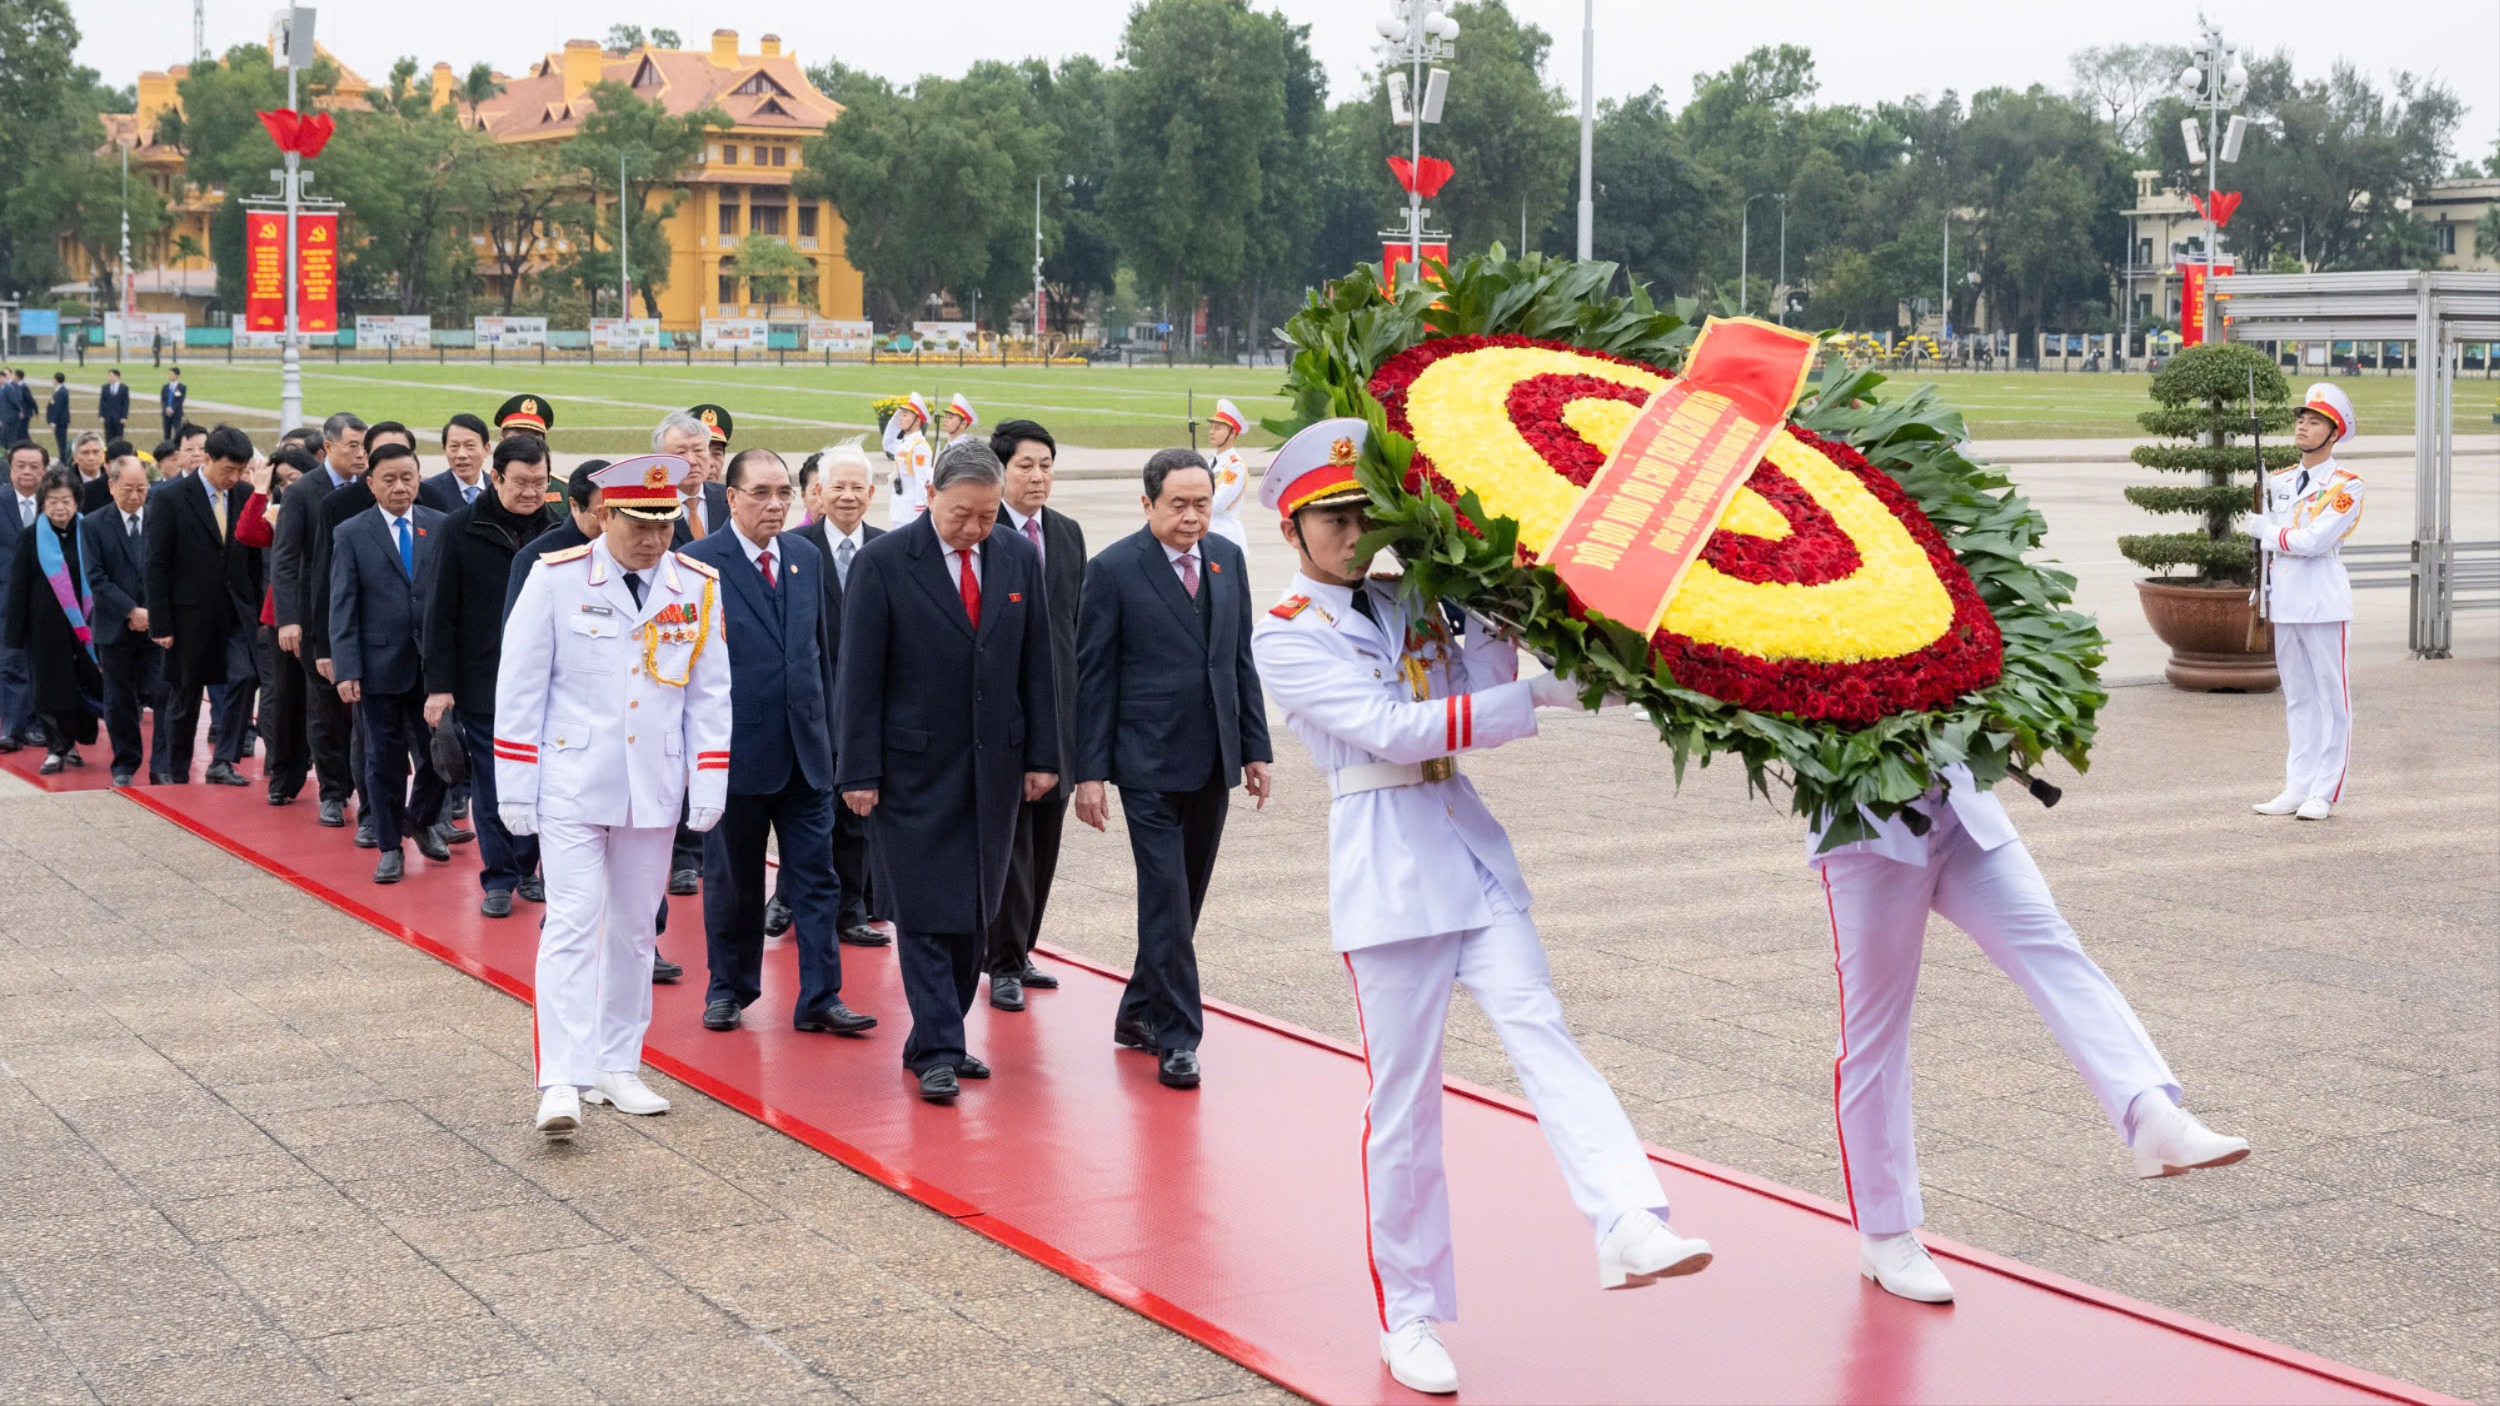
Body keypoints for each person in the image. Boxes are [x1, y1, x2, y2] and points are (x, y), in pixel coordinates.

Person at [1250, 418, 1713, 1396]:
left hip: (1465, 844)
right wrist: (1530, 699)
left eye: (1361, 511)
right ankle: (1407, 1313)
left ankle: (1629, 1216)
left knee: (1543, 1029)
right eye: (1329, 517)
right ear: (1292, 529)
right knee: (1404, 1108)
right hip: (1385, 867)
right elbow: (1385, 726)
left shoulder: (1417, 590)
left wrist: (1510, 618)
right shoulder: (1284, 626)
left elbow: (1478, 684)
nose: (1351, 529)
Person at [1810, 765, 2250, 1304]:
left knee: (2051, 946)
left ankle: (2151, 1113)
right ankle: (1885, 1233)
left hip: (1962, 811)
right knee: (1873, 1032)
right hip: (1867, 831)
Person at [497, 453, 731, 1139]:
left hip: (652, 786)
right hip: (571, 781)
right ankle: (560, 1080)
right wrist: (516, 787)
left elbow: (709, 693)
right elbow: (520, 689)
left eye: (664, 525)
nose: (655, 540)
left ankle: (617, 1062)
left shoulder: (696, 584)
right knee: (572, 923)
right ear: (606, 515)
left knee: (634, 929)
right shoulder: (557, 578)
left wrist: (708, 778)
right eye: (640, 525)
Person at [834, 440, 1058, 1104]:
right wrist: (858, 771)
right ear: (932, 497)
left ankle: (937, 1032)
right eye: (963, 514)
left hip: (995, 767)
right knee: (928, 912)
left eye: (987, 515)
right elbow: (859, 678)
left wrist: (1045, 754)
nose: (975, 529)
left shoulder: (1017, 554)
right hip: (911, 770)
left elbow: (1036, 661)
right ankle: (938, 1047)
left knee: (977, 912)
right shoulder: (882, 565)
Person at [1070, 449, 1268, 1086]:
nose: (1191, 516)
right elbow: (1093, 680)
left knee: (1183, 900)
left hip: (1212, 759)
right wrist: (1089, 773)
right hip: (1147, 764)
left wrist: (1255, 748)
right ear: (1148, 503)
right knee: (1165, 897)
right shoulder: (1112, 570)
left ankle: (1136, 1011)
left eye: (1202, 503)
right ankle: (1179, 1037)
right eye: (1178, 504)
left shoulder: (1227, 559)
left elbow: (1239, 661)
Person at [685, 447, 877, 1038]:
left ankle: (821, 996)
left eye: (783, 494)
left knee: (817, 880)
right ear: (732, 497)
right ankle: (729, 988)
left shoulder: (802, 555)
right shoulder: (697, 563)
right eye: (760, 494)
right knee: (734, 882)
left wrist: (834, 737)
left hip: (806, 754)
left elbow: (819, 652)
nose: (774, 505)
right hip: (736, 755)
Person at [426, 434, 555, 917]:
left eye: (539, 483)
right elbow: (439, 613)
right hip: (483, 679)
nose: (530, 492)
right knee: (495, 781)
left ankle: (528, 868)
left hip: (544, 682)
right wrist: (440, 687)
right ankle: (499, 876)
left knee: (540, 781)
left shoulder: (556, 532)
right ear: (496, 477)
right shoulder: (460, 529)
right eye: (520, 483)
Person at [982, 420, 1087, 1012]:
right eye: (1026, 465)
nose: (1039, 476)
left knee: (1046, 842)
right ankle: (999, 960)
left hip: (1062, 714)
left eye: (1046, 464)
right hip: (1004, 719)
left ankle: (1020, 950)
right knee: (1012, 844)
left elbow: (1078, 629)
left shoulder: (1067, 534)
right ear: (1002, 472)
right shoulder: (982, 530)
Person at [778, 441, 886, 948]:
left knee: (857, 813)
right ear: (817, 492)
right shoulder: (794, 549)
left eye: (856, 487)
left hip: (868, 706)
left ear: (871, 492)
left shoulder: (890, 550)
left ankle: (852, 909)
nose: (847, 496)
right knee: (806, 810)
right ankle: (789, 896)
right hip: (811, 705)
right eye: (835, 487)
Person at [330, 443, 452, 884]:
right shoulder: (351, 532)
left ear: (419, 479)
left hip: (431, 668)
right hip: (378, 667)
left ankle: (417, 819)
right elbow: (342, 603)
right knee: (382, 762)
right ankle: (388, 846)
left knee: (443, 757)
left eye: (408, 478)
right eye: (389, 480)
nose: (400, 487)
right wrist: (347, 668)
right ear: (371, 484)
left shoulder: (441, 526)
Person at [2252, 382, 2364, 822]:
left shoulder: (2346, 487)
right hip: (2285, 601)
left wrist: (2267, 532)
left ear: (2333, 434)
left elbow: (2314, 541)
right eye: (2301, 418)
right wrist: (2260, 588)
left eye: (2314, 421)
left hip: (2322, 602)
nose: (2302, 425)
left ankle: (2326, 789)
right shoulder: (2278, 482)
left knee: (2331, 699)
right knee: (2298, 698)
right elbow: (2269, 551)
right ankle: (2297, 785)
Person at [144, 425, 266, 786]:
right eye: (227, 469)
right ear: (207, 458)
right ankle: (176, 769)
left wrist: (257, 608)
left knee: (245, 676)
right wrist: (160, 624)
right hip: (188, 616)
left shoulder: (245, 494)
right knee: (186, 697)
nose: (234, 477)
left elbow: (255, 559)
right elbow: (156, 563)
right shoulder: (170, 498)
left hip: (234, 610)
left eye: (240, 471)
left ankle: (223, 759)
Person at [272, 413, 366, 827]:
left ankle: (366, 788)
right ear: (327, 448)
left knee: (365, 709)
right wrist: (288, 618)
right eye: (352, 446)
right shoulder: (304, 492)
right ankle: (332, 791)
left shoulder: (371, 487)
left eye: (365, 446)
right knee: (324, 707)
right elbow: (286, 559)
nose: (361, 454)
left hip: (364, 615)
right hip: (317, 618)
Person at [81, 451, 172, 785]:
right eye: (128, 489)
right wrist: (130, 611)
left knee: (165, 693)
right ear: (111, 485)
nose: (135, 496)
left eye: (142, 489)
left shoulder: (161, 519)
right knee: (119, 700)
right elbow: (96, 577)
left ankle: (162, 764)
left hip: (156, 627)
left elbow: (168, 571)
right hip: (114, 626)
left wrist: (152, 613)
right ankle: (124, 763)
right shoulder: (93, 524)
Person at [6, 467, 105, 773]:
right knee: (49, 688)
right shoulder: (30, 537)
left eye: (66, 501)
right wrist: (14, 634)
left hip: (87, 627)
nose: (60, 508)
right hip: (45, 629)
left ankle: (75, 741)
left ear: (77, 502)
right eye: (52, 502)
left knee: (85, 685)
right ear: (42, 503)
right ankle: (56, 747)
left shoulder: (90, 531)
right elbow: (18, 586)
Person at [0, 443, 48, 751]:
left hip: (48, 599)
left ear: (44, 470)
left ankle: (35, 724)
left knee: (42, 663)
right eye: (21, 465)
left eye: (34, 466)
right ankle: (12, 728)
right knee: (12, 663)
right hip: (6, 599)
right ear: (11, 467)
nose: (27, 472)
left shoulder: (57, 502)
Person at [664, 409, 731, 546]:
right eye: (681, 452)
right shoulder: (649, 503)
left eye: (698, 450)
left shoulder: (730, 498)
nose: (692, 461)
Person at [419, 412, 492, 513]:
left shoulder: (500, 488)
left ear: (486, 449)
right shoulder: (427, 492)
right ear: (444, 449)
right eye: (454, 446)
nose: (461, 455)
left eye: (470, 446)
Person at [1204, 398, 1250, 555]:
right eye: (1212, 427)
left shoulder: (1235, 466)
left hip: (1226, 538)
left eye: (1218, 428)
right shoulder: (1209, 462)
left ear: (1232, 433)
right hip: (1207, 536)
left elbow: (1217, 504)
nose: (1212, 431)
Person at [880, 392, 933, 526]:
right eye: (901, 415)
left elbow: (922, 481)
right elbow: (887, 443)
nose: (900, 419)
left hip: (911, 511)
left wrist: (919, 513)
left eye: (905, 415)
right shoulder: (904, 442)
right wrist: (895, 418)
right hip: (899, 507)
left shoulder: (920, 446)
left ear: (917, 420)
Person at [67, 432, 108, 511]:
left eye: (96, 452)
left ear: (103, 454)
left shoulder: (113, 480)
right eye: (85, 453)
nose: (91, 458)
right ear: (75, 457)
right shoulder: (66, 482)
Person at [44, 374, 72, 467]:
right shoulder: (59, 390)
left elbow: (58, 408)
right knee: (60, 440)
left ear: (56, 380)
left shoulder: (61, 392)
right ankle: (62, 458)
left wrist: (53, 422)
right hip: (60, 421)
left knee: (61, 441)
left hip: (60, 422)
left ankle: (63, 460)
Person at [98, 369, 130, 444]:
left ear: (117, 377)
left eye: (111, 375)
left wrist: (124, 416)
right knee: (108, 437)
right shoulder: (105, 387)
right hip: (108, 417)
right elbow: (102, 402)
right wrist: (101, 414)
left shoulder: (124, 388)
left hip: (119, 417)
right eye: (109, 375)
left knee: (119, 437)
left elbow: (126, 403)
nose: (109, 377)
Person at [159, 369, 187, 444]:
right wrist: (166, 408)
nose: (170, 376)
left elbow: (180, 400)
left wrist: (172, 409)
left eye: (172, 374)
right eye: (169, 374)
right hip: (166, 414)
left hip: (176, 414)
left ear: (177, 376)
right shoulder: (165, 387)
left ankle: (176, 447)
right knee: (166, 433)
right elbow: (163, 399)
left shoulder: (182, 387)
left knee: (177, 431)